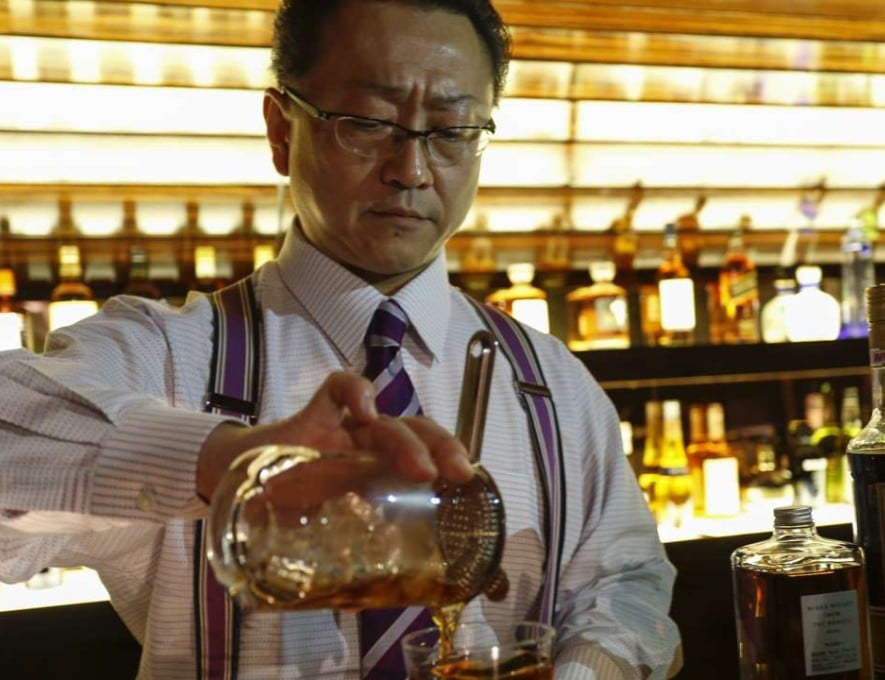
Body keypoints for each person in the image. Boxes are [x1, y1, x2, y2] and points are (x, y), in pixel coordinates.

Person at [0, 0, 681, 677]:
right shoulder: (173, 354)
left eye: (450, 131)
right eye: (369, 123)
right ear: (280, 130)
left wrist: (588, 671)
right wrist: (227, 461)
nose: (411, 169)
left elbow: (628, 588)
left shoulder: (550, 381)